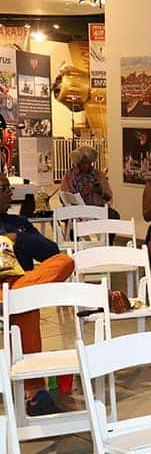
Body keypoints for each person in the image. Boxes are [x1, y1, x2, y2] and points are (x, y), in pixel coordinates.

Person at [0, 176, 76, 415]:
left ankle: (20, 294)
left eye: (8, 188)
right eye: (4, 188)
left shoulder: (18, 222)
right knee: (26, 305)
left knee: (65, 261)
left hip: (20, 282)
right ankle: (36, 394)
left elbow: (51, 253)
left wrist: (18, 238)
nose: (10, 193)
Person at [60, 145, 117, 217]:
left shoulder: (99, 175)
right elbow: (63, 198)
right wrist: (82, 193)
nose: (87, 166)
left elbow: (108, 197)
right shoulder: (70, 176)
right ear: (78, 162)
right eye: (84, 163)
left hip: (98, 208)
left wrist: (100, 191)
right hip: (78, 210)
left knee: (114, 215)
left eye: (89, 163)